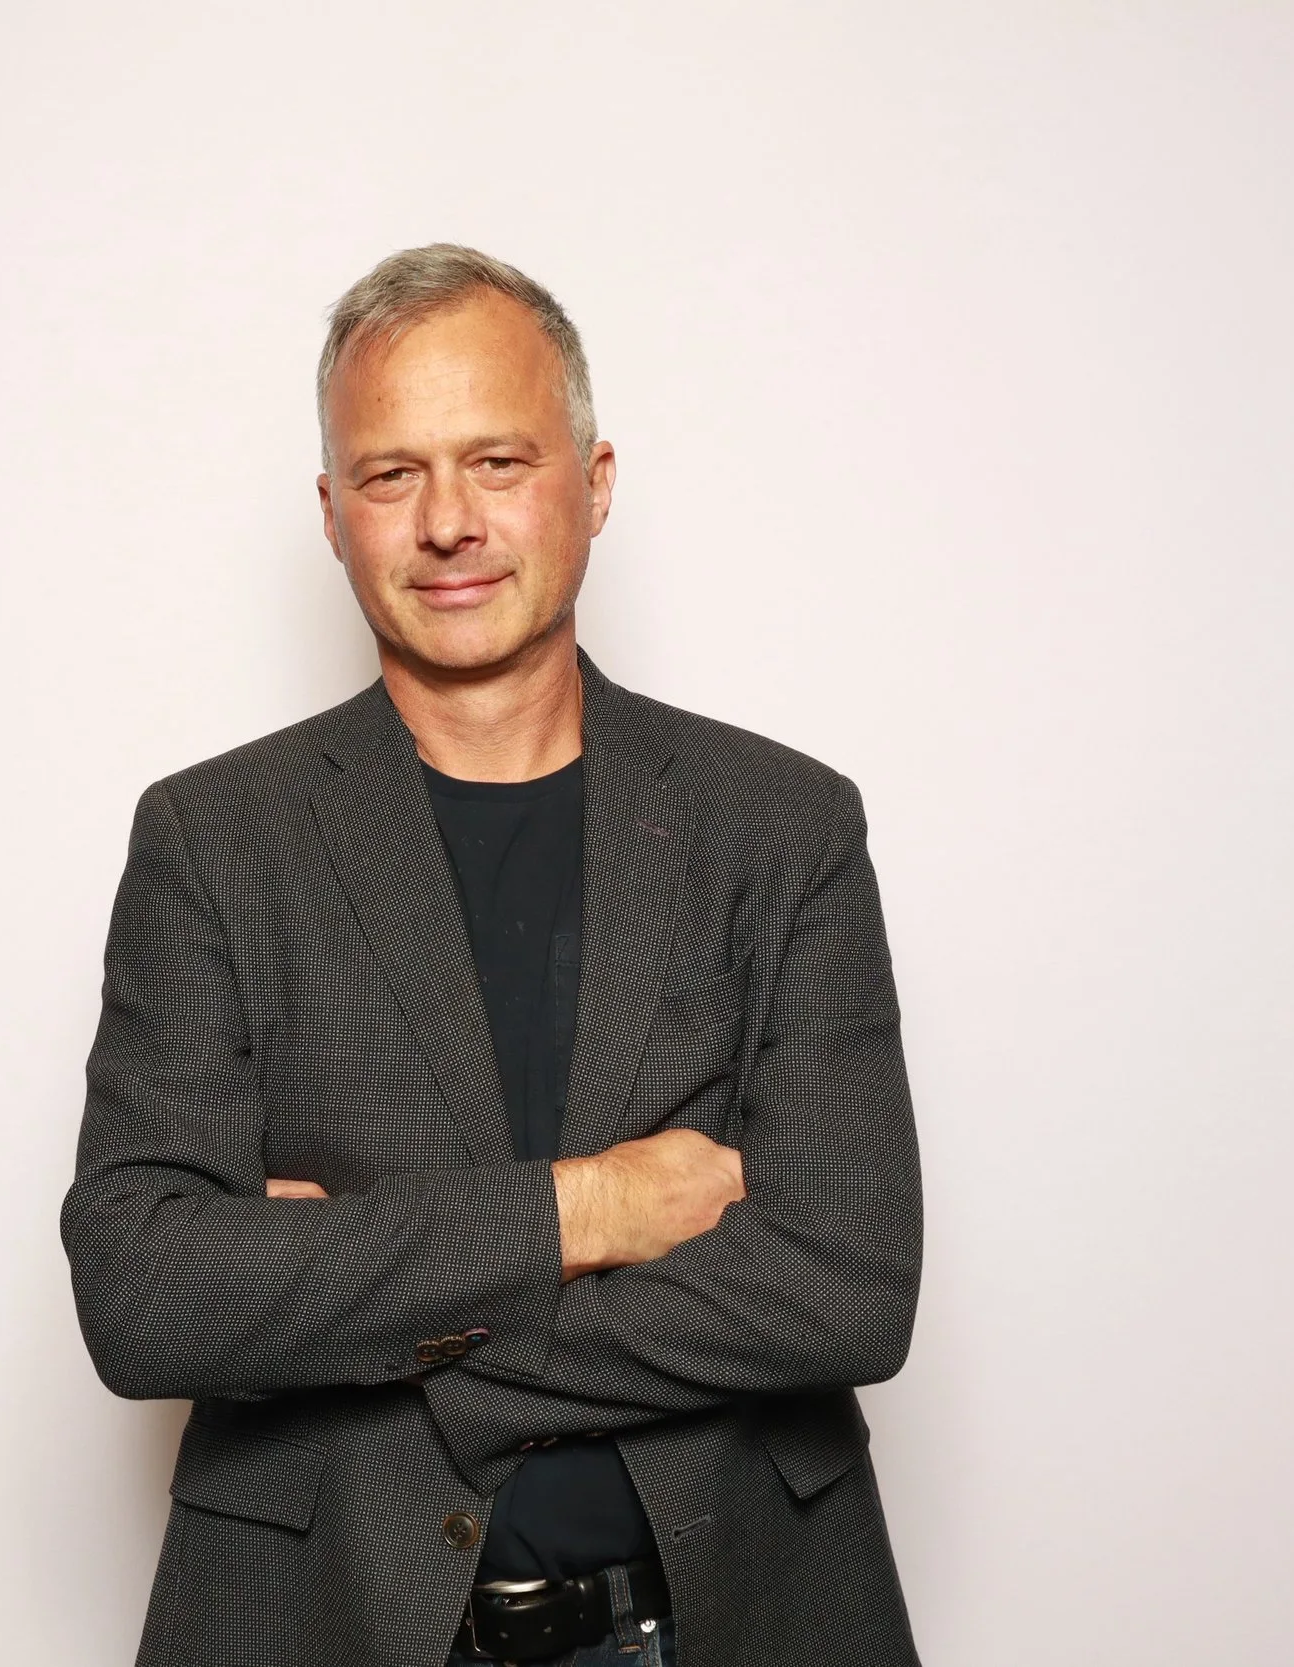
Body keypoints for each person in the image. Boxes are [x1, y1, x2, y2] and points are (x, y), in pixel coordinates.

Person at [61, 244, 924, 1667]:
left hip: (728, 1616)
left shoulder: (782, 826)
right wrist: (589, 1210)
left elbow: (845, 1285)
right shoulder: (212, 841)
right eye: (392, 475)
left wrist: (354, 1303)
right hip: (322, 1624)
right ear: (332, 516)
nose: (448, 522)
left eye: (499, 462)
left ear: (593, 482)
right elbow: (146, 1294)